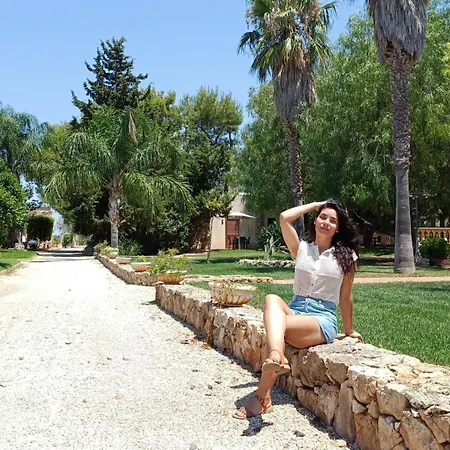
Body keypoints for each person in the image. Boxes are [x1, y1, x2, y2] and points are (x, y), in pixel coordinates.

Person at [233, 199, 363, 420]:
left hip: (321, 319)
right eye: (323, 217)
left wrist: (349, 331)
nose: (326, 222)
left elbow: (345, 296)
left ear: (338, 228)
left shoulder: (347, 257)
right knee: (271, 299)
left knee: (277, 325)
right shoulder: (302, 248)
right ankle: (277, 356)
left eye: (332, 220)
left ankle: (262, 396)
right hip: (295, 310)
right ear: (315, 221)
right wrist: (315, 205)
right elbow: (284, 217)